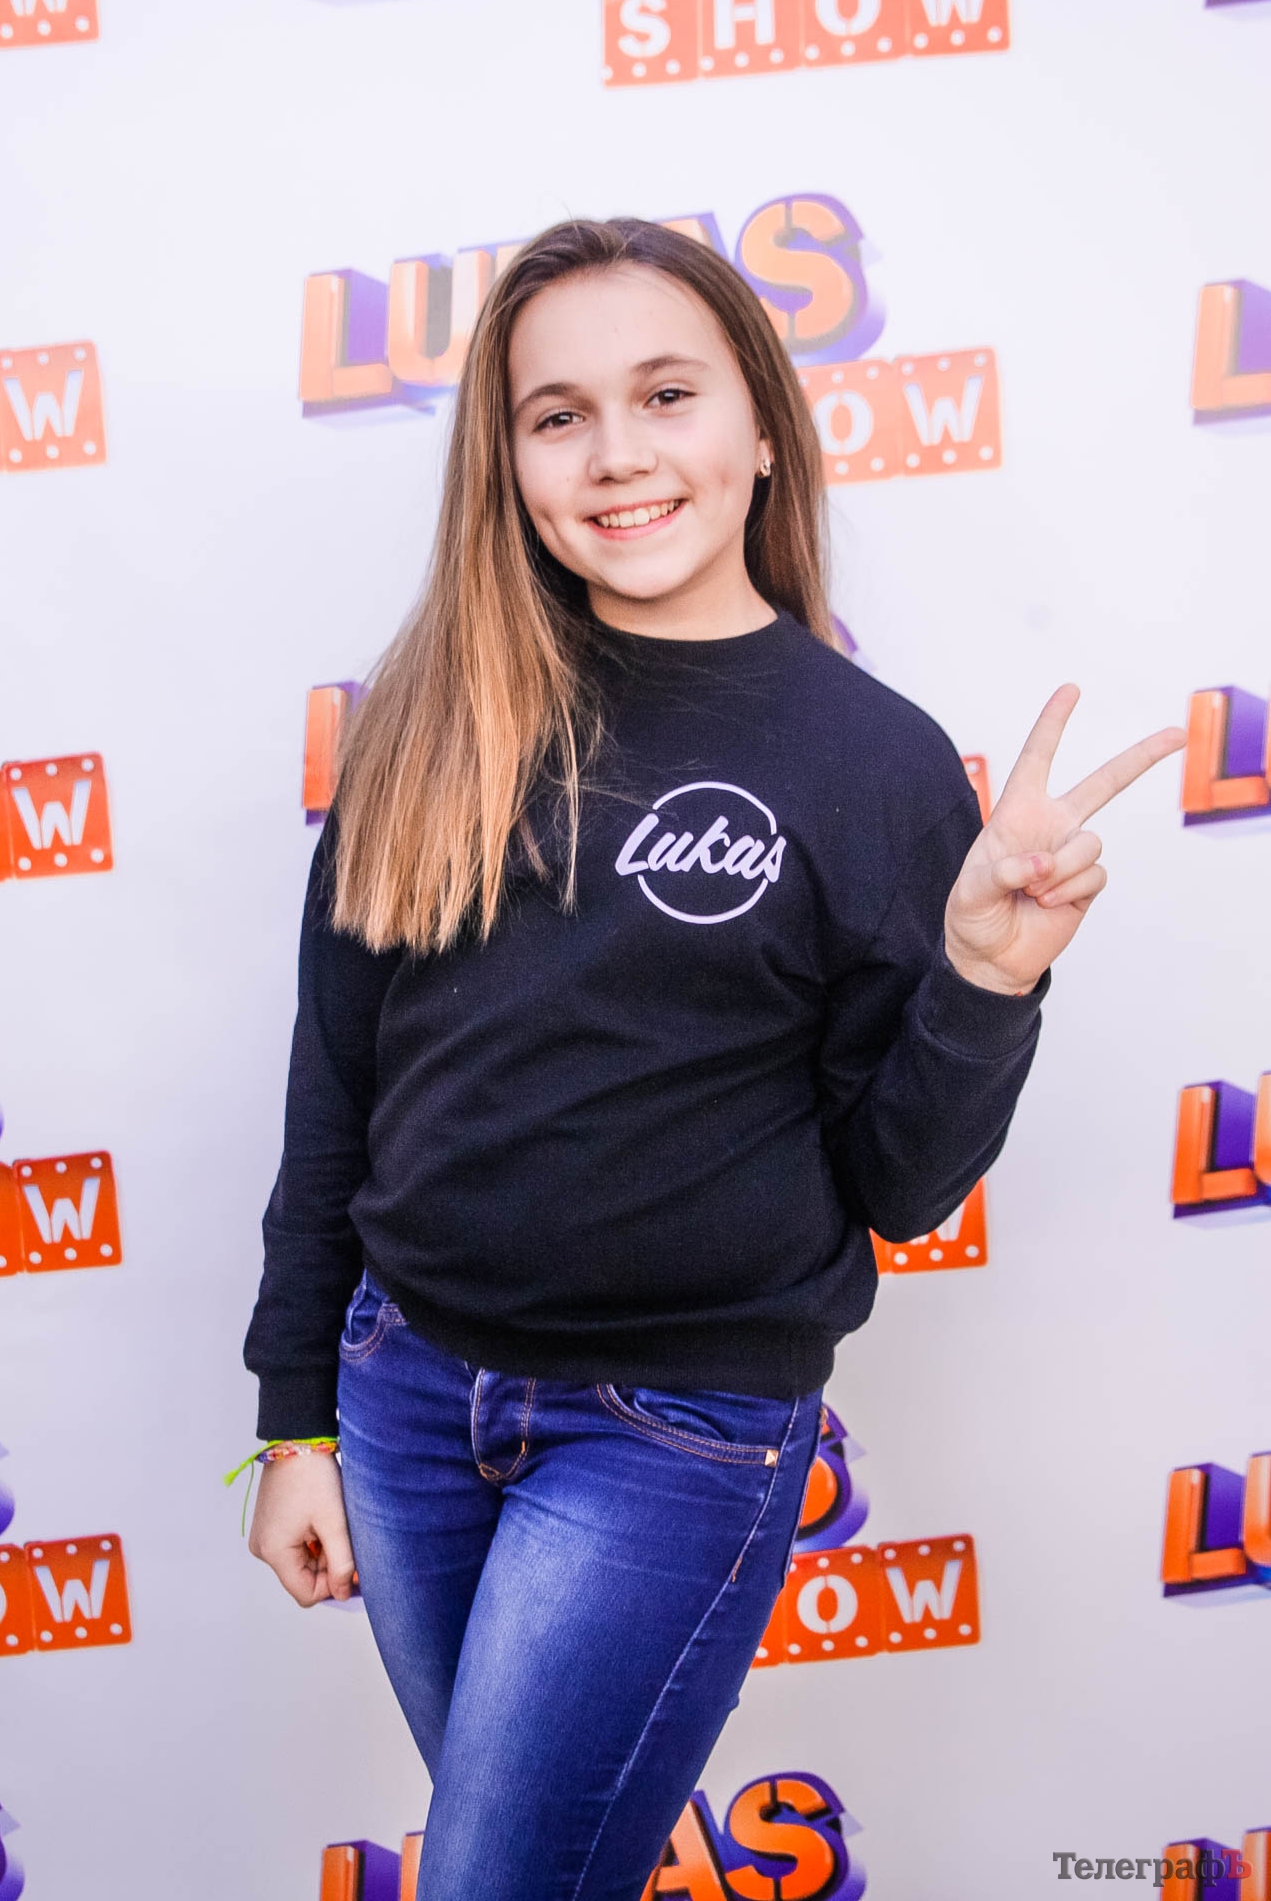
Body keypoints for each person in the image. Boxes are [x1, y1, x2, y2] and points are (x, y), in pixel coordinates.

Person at [240, 217, 1185, 1901]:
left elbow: (900, 1183)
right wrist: (295, 1417)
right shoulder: (434, 714)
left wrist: (985, 979)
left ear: (760, 427)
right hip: (404, 1398)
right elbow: (337, 1092)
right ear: (507, 464)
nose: (618, 454)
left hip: (669, 1435)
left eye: (667, 395)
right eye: (559, 415)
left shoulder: (872, 764)